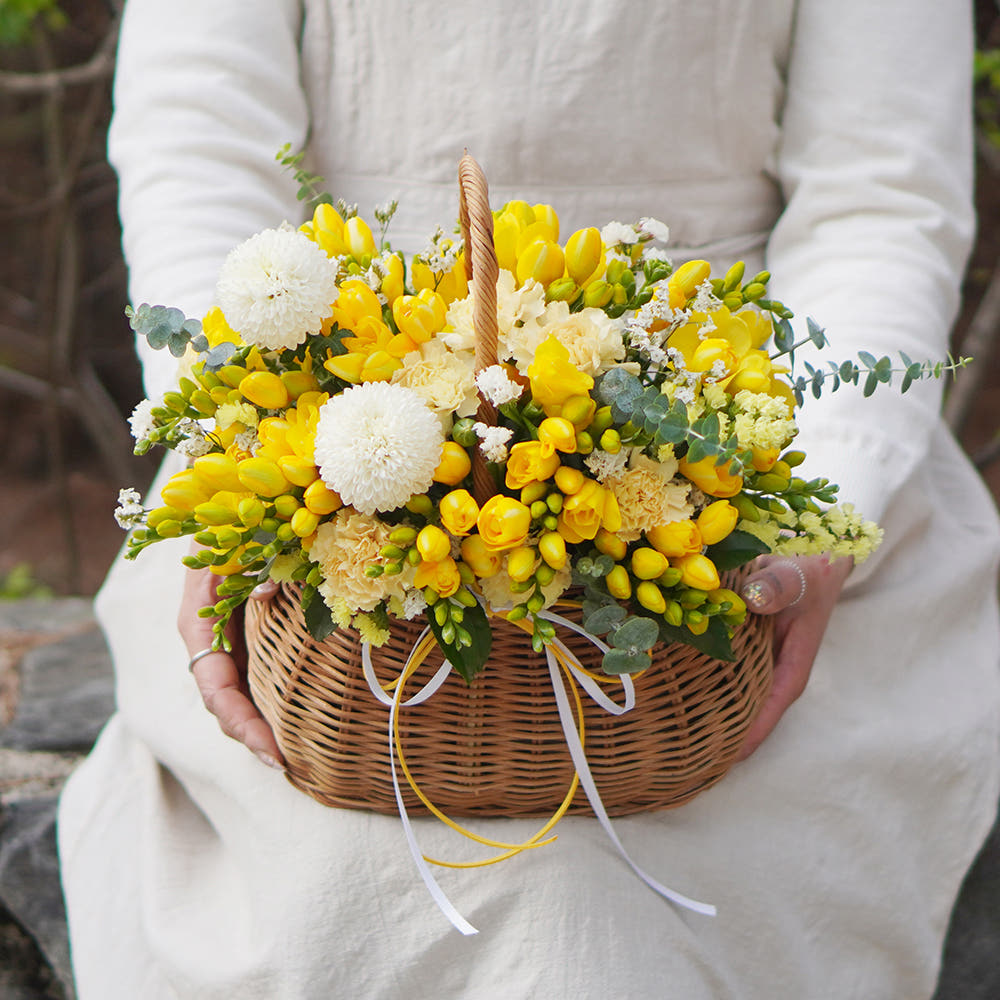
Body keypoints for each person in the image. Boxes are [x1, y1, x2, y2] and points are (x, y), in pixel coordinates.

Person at [59, 1, 1000, 997]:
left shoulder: (792, 479)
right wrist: (246, 459)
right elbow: (199, 149)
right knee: (375, 882)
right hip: (340, 422)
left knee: (637, 892)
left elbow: (877, 201)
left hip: (745, 436)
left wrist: (822, 509)